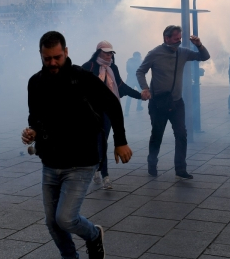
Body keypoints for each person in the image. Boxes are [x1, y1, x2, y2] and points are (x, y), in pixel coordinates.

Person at [21, 31, 133, 259]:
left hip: (81, 161)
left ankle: (93, 235)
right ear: (40, 54)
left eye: (57, 57)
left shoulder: (83, 78)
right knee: (52, 222)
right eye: (47, 58)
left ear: (66, 52)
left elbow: (112, 105)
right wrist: (32, 131)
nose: (52, 63)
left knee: (66, 218)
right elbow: (35, 116)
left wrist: (120, 141)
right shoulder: (35, 82)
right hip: (50, 161)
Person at [136, 25, 210, 179]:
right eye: (175, 39)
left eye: (180, 39)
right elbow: (140, 71)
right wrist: (145, 88)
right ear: (166, 38)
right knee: (157, 134)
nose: (178, 42)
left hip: (176, 101)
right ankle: (152, 162)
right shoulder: (155, 53)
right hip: (158, 103)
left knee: (181, 134)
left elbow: (204, 57)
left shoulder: (182, 52)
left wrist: (199, 45)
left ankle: (180, 168)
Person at [82, 41, 146, 190]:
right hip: (92, 112)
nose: (109, 55)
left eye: (111, 52)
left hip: (108, 112)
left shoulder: (113, 68)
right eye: (106, 52)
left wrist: (140, 96)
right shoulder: (89, 67)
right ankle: (100, 171)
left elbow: (121, 87)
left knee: (102, 141)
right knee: (97, 141)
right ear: (98, 52)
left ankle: (103, 174)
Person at [124, 52, 144, 116]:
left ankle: (138, 107)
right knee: (130, 95)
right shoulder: (133, 61)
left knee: (141, 93)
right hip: (133, 79)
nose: (138, 57)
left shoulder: (139, 61)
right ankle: (127, 111)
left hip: (135, 79)